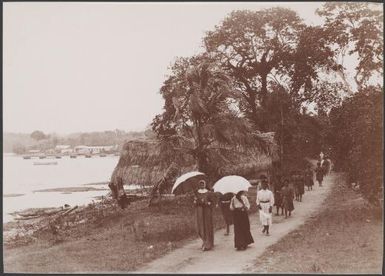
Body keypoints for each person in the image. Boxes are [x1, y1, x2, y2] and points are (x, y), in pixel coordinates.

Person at [193, 180, 215, 251]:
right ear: (199, 185)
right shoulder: (197, 193)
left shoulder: (208, 193)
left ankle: (208, 243)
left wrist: (208, 203)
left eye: (203, 184)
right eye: (201, 184)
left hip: (207, 211)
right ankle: (204, 241)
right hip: (199, 211)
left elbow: (212, 202)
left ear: (205, 185)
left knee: (207, 225)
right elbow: (195, 203)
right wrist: (196, 201)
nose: (202, 185)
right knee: (200, 226)